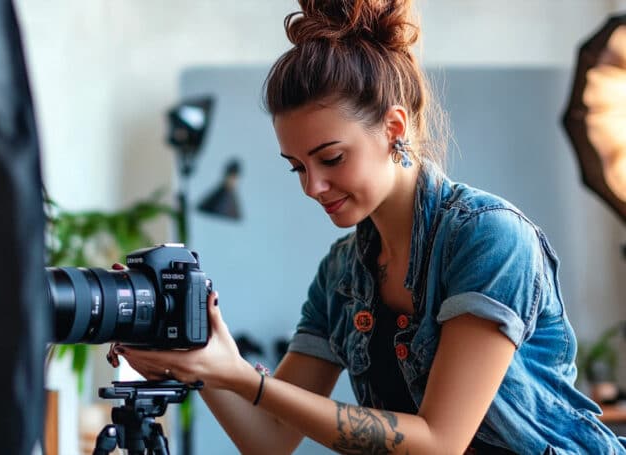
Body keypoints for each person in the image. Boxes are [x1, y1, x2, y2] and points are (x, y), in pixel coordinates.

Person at [108, 0, 626, 453]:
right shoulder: (342, 273)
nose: (312, 186)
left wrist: (244, 377)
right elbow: (267, 439)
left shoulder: (490, 239)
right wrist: (196, 361)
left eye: (330, 158)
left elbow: (439, 442)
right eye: (297, 167)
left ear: (394, 128)